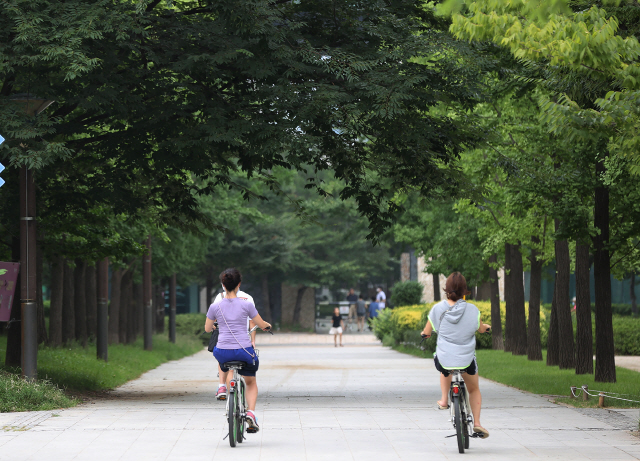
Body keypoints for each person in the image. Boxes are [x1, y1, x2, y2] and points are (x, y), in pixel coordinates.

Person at [421, 272, 491, 439]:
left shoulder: (437, 309)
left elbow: (427, 331)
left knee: (445, 368)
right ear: (464, 291)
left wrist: (425, 335)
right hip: (466, 360)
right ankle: (477, 423)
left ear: (447, 290)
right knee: (473, 389)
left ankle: (444, 399)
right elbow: (481, 328)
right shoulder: (473, 310)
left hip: (444, 359)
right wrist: (487, 327)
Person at [205, 268, 271, 433]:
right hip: (243, 351)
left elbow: (207, 329)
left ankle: (227, 394)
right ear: (239, 284)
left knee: (226, 367)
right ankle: (251, 413)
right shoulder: (247, 304)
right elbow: (260, 324)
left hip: (222, 351)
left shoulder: (215, 306)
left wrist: (214, 324)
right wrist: (266, 326)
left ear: (223, 284)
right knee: (251, 382)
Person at [210, 286, 257, 401]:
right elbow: (253, 323)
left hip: (224, 342)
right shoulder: (248, 298)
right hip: (243, 343)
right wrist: (253, 340)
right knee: (251, 366)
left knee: (225, 363)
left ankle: (222, 386)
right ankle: (249, 408)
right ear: (239, 283)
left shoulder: (220, 297)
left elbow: (212, 320)